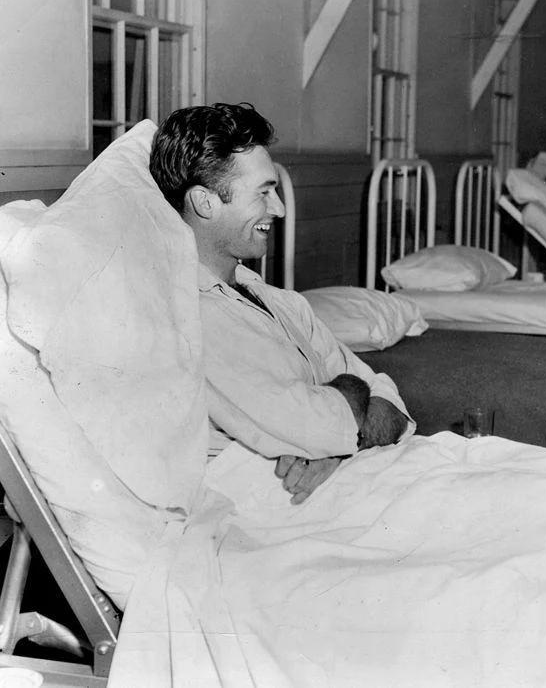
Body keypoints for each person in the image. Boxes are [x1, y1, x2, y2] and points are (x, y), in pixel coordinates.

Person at [149, 102, 412, 503]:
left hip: (345, 475)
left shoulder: (281, 301)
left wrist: (339, 447)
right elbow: (332, 420)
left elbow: (391, 405)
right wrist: (346, 409)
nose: (280, 209)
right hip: (282, 505)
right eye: (264, 193)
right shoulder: (190, 318)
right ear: (205, 202)